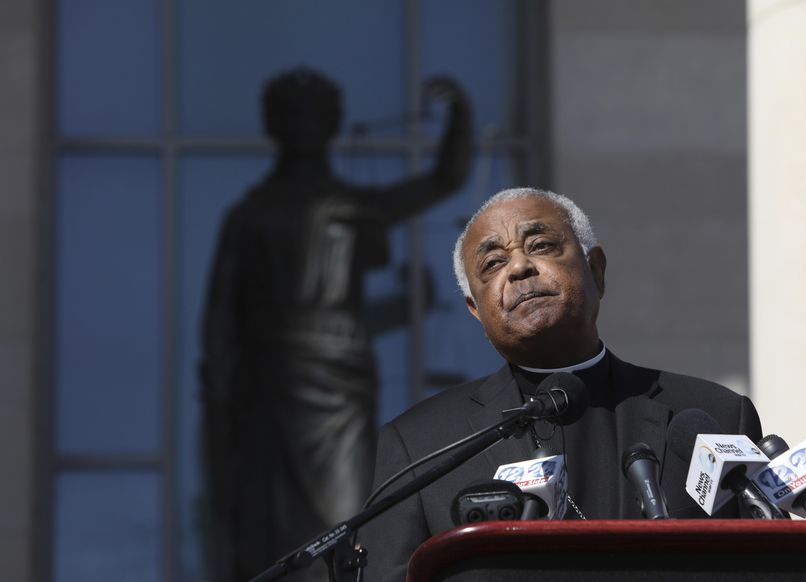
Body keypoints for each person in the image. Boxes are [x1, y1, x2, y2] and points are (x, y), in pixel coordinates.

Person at [358, 187, 762, 581]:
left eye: (541, 246)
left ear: (596, 270)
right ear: (476, 310)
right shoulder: (421, 447)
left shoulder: (715, 416)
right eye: (493, 263)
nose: (519, 268)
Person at [199, 68, 472, 582]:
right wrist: (219, 394)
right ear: (274, 124)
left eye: (314, 114)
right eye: (293, 115)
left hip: (338, 375)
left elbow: (445, 179)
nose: (304, 125)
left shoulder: (353, 205)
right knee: (269, 515)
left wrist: (460, 116)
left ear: (331, 124)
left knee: (340, 510)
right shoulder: (250, 216)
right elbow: (221, 317)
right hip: (270, 379)